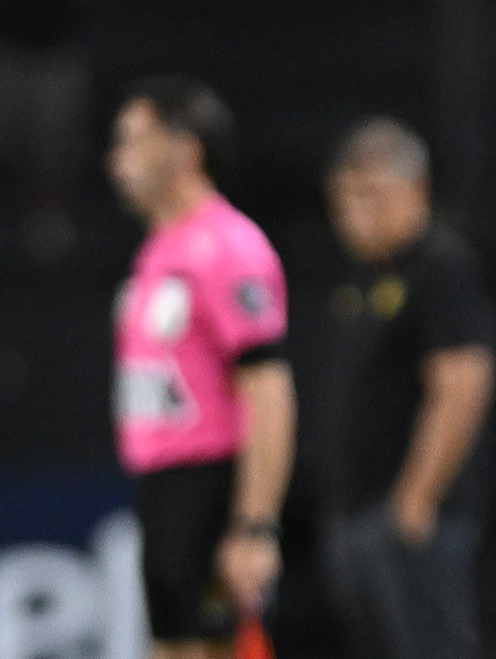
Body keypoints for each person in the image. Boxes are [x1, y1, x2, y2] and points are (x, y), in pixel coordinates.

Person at [108, 76, 295, 659]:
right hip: (163, 487)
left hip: (210, 484)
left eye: (134, 141)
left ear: (185, 151)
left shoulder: (228, 248)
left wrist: (254, 525)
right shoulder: (159, 250)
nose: (117, 160)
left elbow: (268, 387)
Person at [301, 117, 496, 659]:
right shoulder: (358, 276)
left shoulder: (442, 267)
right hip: (354, 513)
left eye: (373, 194)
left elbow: (462, 385)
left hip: (410, 519)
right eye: (345, 197)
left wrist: (417, 498)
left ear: (418, 190)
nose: (356, 212)